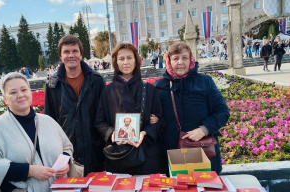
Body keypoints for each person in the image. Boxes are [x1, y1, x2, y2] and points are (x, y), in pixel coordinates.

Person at [154, 42, 230, 174]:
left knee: (206, 191)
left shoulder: (205, 82)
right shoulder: (160, 86)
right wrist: (152, 119)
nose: (180, 62)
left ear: (191, 60)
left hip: (202, 150)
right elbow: (156, 116)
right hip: (171, 154)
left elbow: (222, 112)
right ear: (169, 61)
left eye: (184, 58)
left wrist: (204, 129)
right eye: (175, 58)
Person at [94, 43, 165, 175]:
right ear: (116, 62)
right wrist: (111, 133)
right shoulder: (108, 91)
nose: (125, 62)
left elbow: (161, 121)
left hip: (146, 156)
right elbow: (99, 122)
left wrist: (145, 133)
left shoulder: (149, 89)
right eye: (121, 59)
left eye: (129, 58)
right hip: (119, 157)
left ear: (136, 60)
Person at [44, 35, 106, 177]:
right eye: (66, 52)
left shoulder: (96, 81)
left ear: (80, 54)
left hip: (95, 151)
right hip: (67, 154)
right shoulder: (53, 85)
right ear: (61, 56)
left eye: (74, 51)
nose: (71, 55)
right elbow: (49, 122)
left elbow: (105, 114)